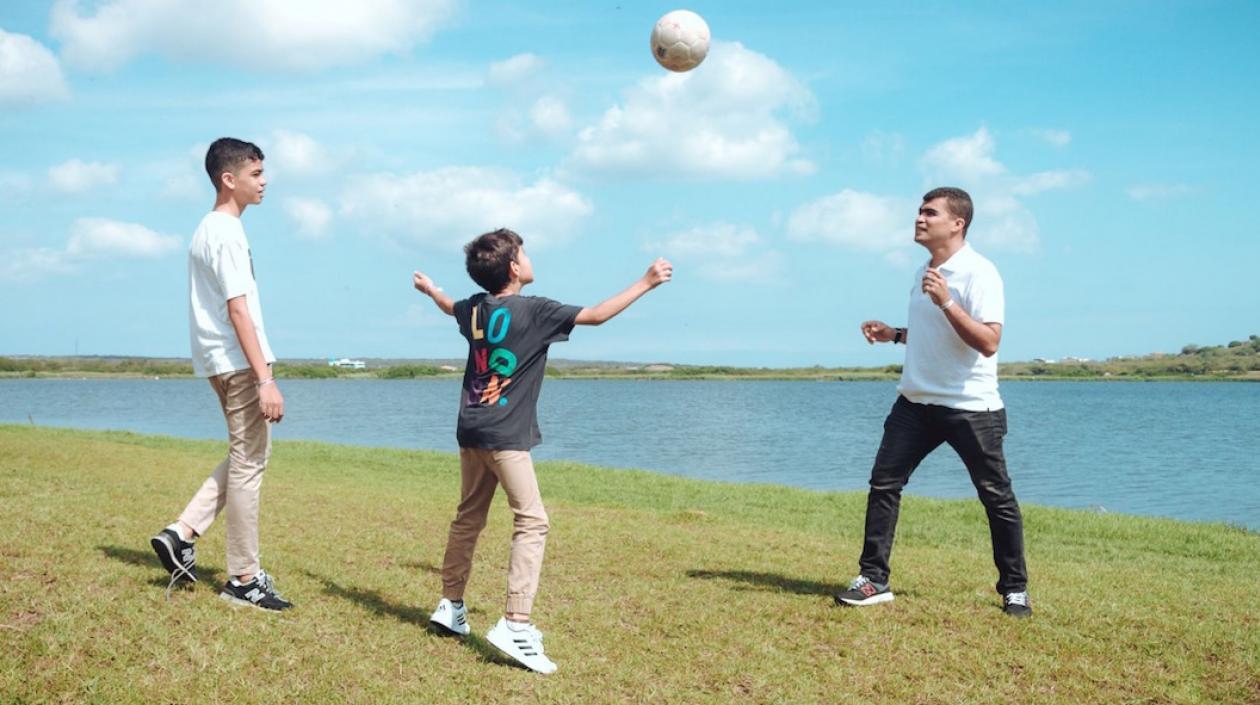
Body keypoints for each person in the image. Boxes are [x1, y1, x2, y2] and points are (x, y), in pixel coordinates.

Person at [412, 228, 672, 672]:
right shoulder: (536, 311)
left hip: (471, 427)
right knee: (532, 521)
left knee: (469, 517)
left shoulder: (474, 309)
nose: (531, 258)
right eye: (525, 253)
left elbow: (448, 306)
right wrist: (646, 282)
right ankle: (516, 622)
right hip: (505, 435)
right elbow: (596, 316)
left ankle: (451, 605)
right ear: (514, 268)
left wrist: (430, 289)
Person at [834, 187, 1031, 617]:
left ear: (957, 223)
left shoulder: (980, 273)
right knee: (884, 485)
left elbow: (989, 342)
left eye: (930, 212)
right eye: (919, 212)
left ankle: (1014, 590)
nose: (919, 218)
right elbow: (934, 335)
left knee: (996, 496)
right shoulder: (925, 269)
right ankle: (874, 580)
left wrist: (946, 302)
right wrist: (895, 334)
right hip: (915, 404)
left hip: (971, 407)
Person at [149, 137, 292, 611]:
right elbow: (237, 308)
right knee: (251, 464)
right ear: (229, 179)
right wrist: (264, 377)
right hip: (237, 360)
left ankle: (182, 532)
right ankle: (244, 578)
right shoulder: (226, 232)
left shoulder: (204, 230)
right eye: (256, 174)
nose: (264, 181)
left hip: (219, 360)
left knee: (246, 454)